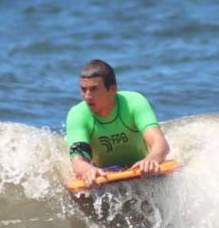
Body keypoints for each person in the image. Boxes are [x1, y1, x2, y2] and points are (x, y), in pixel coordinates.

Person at [65, 59, 170, 188]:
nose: (87, 96)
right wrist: (86, 170)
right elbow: (78, 161)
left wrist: (151, 159)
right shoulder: (77, 114)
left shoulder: (134, 102)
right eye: (83, 89)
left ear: (112, 89)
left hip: (140, 170)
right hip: (102, 174)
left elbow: (160, 144)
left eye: (94, 89)